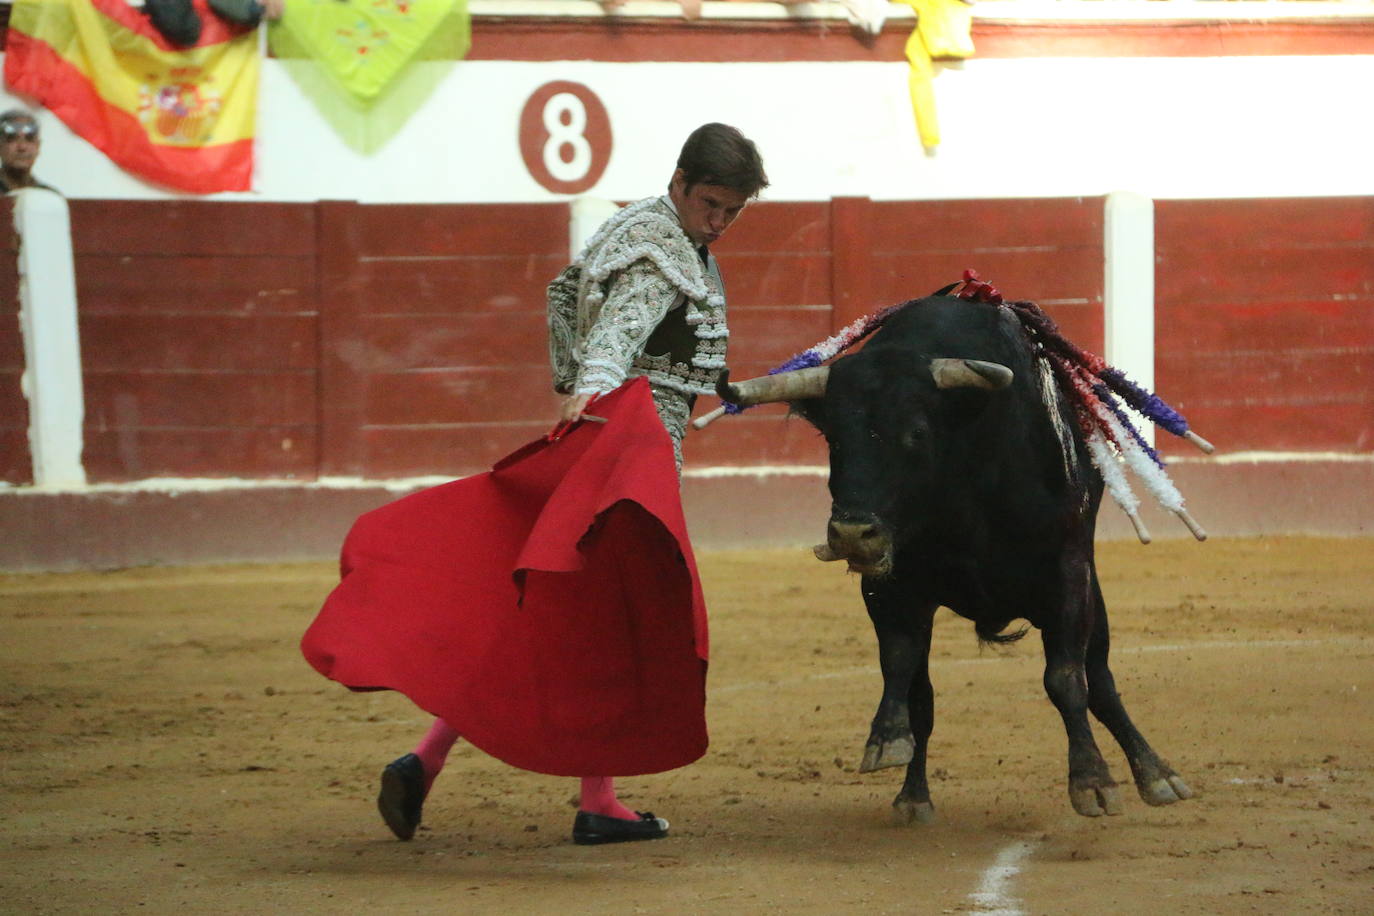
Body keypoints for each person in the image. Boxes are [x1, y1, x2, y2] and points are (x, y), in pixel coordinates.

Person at [372, 123, 769, 846]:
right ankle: (593, 802)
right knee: (616, 618)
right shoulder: (660, 255)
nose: (718, 222)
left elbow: (564, 300)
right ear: (679, 181)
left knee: (555, 611)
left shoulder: (635, 224)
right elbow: (617, 333)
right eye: (710, 204)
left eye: (732, 212)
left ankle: (435, 762)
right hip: (631, 453)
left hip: (613, 439)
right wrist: (592, 395)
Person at [0, 110, 57, 194]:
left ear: (38, 146)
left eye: (29, 139)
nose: (22, 147)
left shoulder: (48, 197)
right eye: (12, 139)